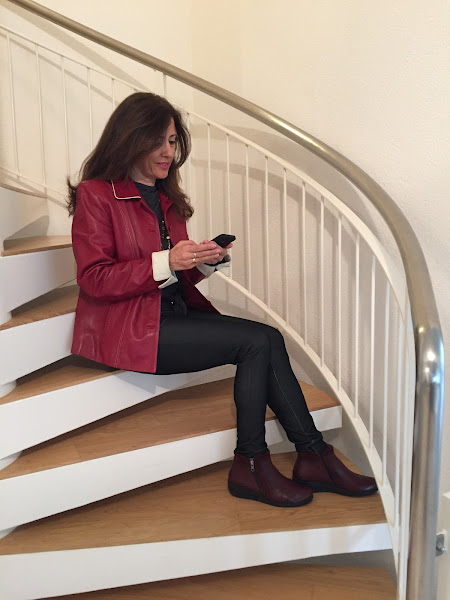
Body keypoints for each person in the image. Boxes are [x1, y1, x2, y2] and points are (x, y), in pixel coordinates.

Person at [69, 92, 377, 508]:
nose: (168, 152)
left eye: (172, 141)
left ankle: (313, 456)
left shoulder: (166, 199)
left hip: (173, 316)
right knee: (255, 343)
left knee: (267, 337)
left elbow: (173, 277)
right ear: (130, 139)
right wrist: (165, 260)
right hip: (132, 329)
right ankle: (254, 462)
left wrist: (204, 262)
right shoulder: (96, 194)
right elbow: (94, 279)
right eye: (158, 142)